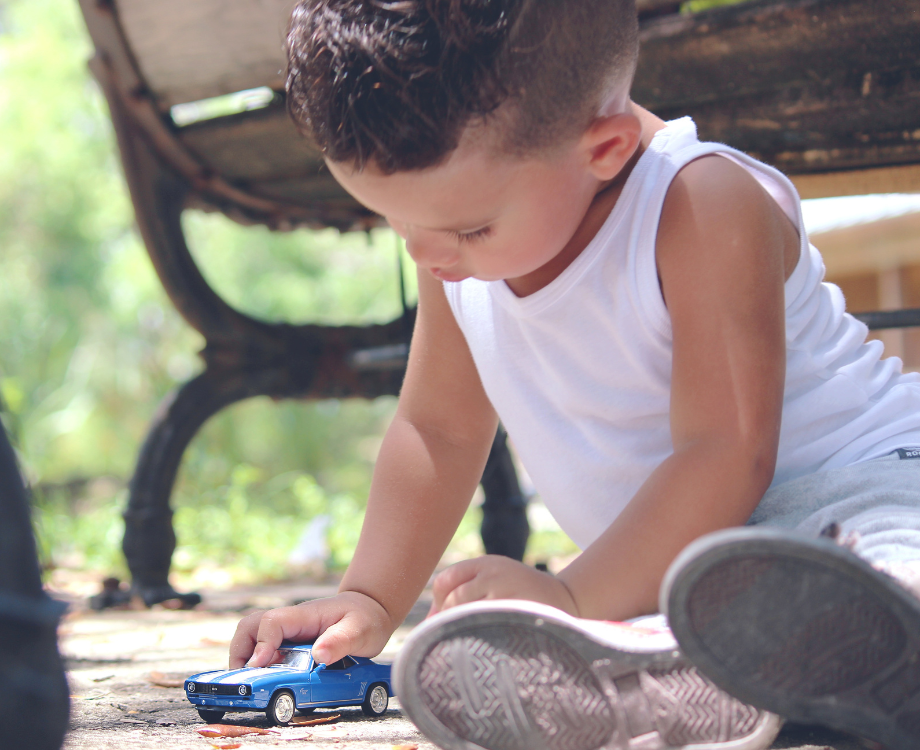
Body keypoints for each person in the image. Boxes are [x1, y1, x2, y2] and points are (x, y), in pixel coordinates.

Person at [228, 2, 920, 748]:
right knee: (688, 612)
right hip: (677, 568)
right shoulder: (457, 243)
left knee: (883, 563)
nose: (427, 255)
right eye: (396, 223)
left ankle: (855, 627)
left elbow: (726, 452)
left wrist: (571, 594)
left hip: (859, 492)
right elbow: (440, 428)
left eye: (466, 228)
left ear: (607, 148)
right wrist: (366, 599)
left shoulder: (700, 202)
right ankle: (688, 676)